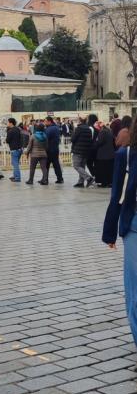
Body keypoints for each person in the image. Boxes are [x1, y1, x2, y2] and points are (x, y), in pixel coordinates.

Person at [103, 118, 137, 349]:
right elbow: (118, 194)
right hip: (134, 224)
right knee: (135, 290)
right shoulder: (126, 155)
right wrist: (110, 232)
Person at [71, 115, 95, 188]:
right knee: (82, 166)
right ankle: (80, 182)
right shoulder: (89, 129)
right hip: (86, 151)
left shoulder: (79, 128)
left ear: (80, 121)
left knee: (76, 166)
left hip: (78, 150)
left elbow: (73, 139)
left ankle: (89, 178)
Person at [44, 116, 64, 184]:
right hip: (55, 149)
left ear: (49, 121)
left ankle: (45, 179)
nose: (44, 123)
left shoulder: (49, 129)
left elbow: (45, 138)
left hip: (49, 149)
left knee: (46, 165)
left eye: (45, 121)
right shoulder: (56, 127)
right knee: (56, 164)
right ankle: (60, 178)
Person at [6, 117, 23, 183]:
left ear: (11, 123)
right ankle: (14, 175)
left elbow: (7, 140)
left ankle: (17, 178)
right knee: (15, 163)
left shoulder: (10, 131)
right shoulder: (18, 129)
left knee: (15, 164)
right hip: (20, 148)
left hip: (14, 149)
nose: (7, 123)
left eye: (8, 122)